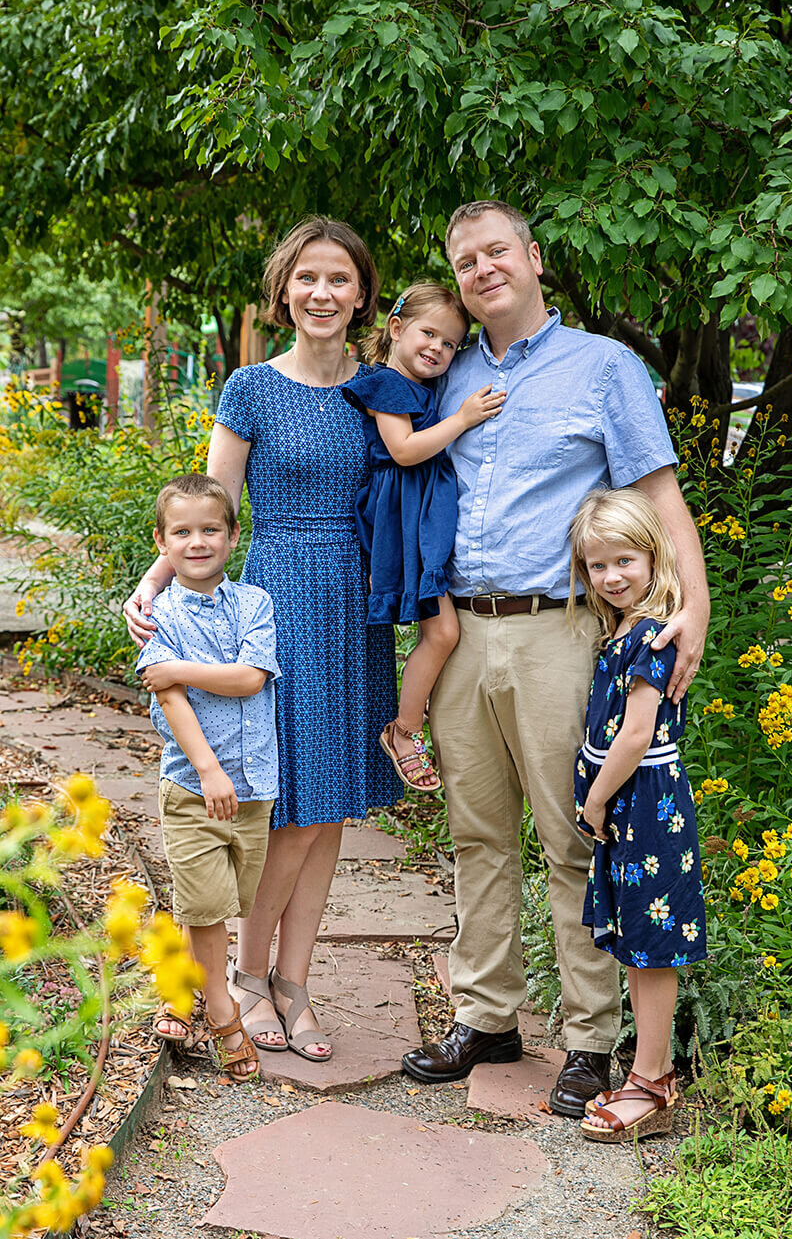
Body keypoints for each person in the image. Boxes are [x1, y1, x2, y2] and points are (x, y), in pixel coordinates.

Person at [401, 200, 709, 1118]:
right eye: (464, 261)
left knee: (577, 832)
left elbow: (657, 491)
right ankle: (485, 1015)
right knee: (477, 831)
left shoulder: (603, 367)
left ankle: (586, 1039)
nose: (481, 269)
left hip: (557, 630)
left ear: (533, 258)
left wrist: (691, 607)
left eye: (496, 251)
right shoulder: (444, 370)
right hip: (458, 630)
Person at [124, 218, 401, 1062]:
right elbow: (205, 508)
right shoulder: (249, 385)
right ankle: (247, 980)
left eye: (339, 279)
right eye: (306, 278)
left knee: (332, 810)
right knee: (286, 807)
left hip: (356, 604)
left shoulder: (382, 388)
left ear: (362, 294)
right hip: (277, 598)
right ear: (284, 289)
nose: (322, 293)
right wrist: (152, 583)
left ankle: (295, 983)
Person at [568, 486, 706, 1142]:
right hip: (629, 808)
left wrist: (594, 797)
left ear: (653, 557)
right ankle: (647, 1070)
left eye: (624, 560)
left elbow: (636, 733)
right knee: (634, 942)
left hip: (644, 805)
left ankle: (652, 1080)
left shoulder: (651, 634)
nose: (611, 576)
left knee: (650, 946)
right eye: (597, 565)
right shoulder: (619, 629)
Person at [138, 473, 280, 1082]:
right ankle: (222, 1016)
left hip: (256, 788)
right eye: (183, 532)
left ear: (232, 536)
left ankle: (183, 981)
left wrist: (179, 669)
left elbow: (252, 678)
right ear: (162, 543)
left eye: (210, 530)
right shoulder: (155, 615)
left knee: (230, 900)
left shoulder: (254, 602)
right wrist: (209, 769)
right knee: (205, 909)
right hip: (195, 787)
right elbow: (167, 701)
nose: (197, 542)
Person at [342, 283, 505, 792]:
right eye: (428, 333)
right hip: (400, 522)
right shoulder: (389, 384)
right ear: (396, 328)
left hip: (420, 518)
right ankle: (405, 729)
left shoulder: (422, 383)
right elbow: (406, 449)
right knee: (442, 631)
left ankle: (415, 718)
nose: (437, 348)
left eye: (451, 343)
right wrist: (462, 419)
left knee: (440, 631)